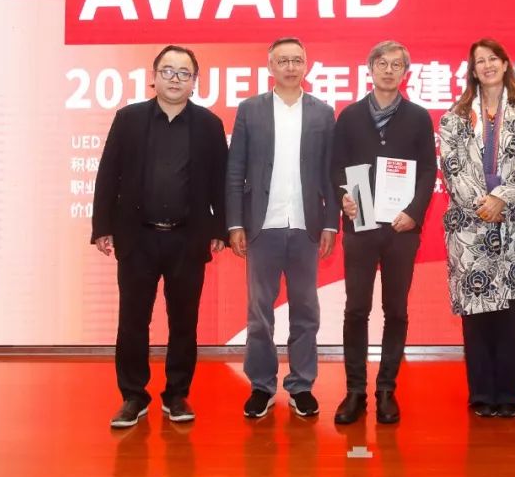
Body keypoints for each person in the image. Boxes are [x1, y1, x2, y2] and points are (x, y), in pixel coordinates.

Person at [91, 45, 228, 428]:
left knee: (184, 321)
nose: (175, 79)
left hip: (188, 239)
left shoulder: (209, 125)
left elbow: (221, 182)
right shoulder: (129, 119)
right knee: (132, 321)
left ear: (194, 81)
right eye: (168, 71)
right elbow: (108, 174)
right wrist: (102, 227)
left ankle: (177, 394)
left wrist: (219, 228)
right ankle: (133, 397)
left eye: (184, 73)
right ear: (154, 76)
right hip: (138, 238)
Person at [226, 37, 340, 419]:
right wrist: (235, 222)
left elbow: (331, 173)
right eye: (283, 61)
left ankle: (301, 385)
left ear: (306, 65)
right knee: (259, 312)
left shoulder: (323, 112)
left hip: (307, 226)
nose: (290, 67)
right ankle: (261, 385)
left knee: (306, 310)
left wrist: (331, 223)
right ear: (270, 66)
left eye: (297, 60)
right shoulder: (250, 110)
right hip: (262, 225)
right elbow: (235, 169)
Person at [330, 40, 437, 425]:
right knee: (356, 309)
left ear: (405, 73)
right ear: (370, 69)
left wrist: (414, 212)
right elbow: (336, 166)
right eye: (382, 64)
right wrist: (344, 197)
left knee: (396, 310)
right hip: (360, 225)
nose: (389, 71)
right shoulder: (350, 116)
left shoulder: (418, 117)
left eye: (396, 65)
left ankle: (387, 389)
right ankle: (355, 391)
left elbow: (428, 170)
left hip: (401, 229)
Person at [439, 38, 515, 419]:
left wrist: (501, 198)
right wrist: (481, 204)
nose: (486, 65)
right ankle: (482, 393)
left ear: (505, 64)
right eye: (479, 61)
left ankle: (509, 394)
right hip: (470, 225)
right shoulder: (454, 118)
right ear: (472, 70)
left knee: (514, 315)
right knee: (478, 313)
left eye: (492, 59)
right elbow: (451, 168)